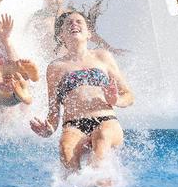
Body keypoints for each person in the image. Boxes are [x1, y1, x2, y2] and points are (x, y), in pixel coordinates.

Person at [30, 10, 134, 175]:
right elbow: (54, 113)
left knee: (102, 136)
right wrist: (48, 130)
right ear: (61, 36)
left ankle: (98, 179)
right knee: (66, 148)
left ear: (89, 33)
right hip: (73, 126)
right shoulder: (55, 67)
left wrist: (116, 101)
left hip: (106, 121)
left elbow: (129, 96)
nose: (73, 24)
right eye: (68, 23)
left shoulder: (103, 57)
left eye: (79, 21)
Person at [28, 0, 122, 56]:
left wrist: (109, 48)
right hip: (45, 59)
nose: (53, 1)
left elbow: (88, 33)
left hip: (69, 59)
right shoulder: (38, 17)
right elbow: (25, 35)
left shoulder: (71, 15)